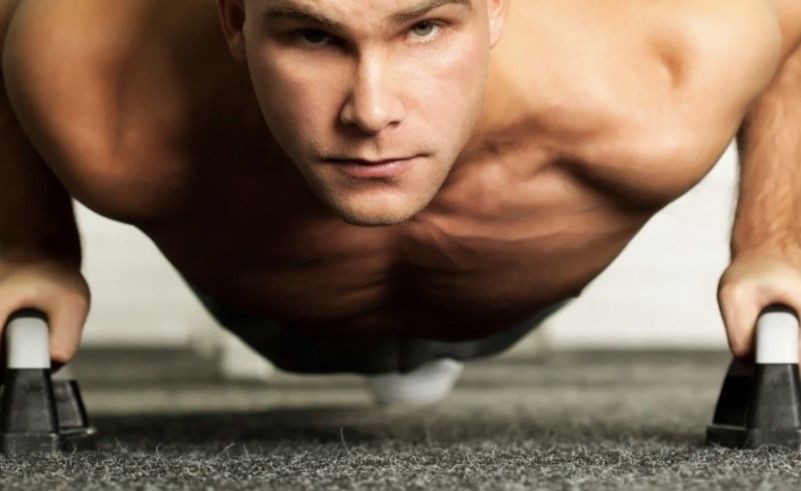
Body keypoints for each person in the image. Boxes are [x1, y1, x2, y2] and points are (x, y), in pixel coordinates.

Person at [0, 0, 800, 404]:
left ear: (493, 8)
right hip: (267, 306)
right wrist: (29, 245)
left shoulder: (658, 75)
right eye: (312, 35)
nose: (370, 110)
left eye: (422, 28)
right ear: (234, 18)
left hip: (511, 295)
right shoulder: (104, 89)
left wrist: (774, 238)